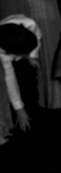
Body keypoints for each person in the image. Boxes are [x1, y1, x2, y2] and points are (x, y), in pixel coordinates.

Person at [0, 16, 41, 145]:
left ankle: (32, 109)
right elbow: (9, 79)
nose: (18, 59)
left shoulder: (30, 24)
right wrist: (19, 109)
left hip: (19, 42)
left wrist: (32, 56)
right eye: (17, 55)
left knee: (28, 73)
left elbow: (36, 39)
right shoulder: (2, 54)